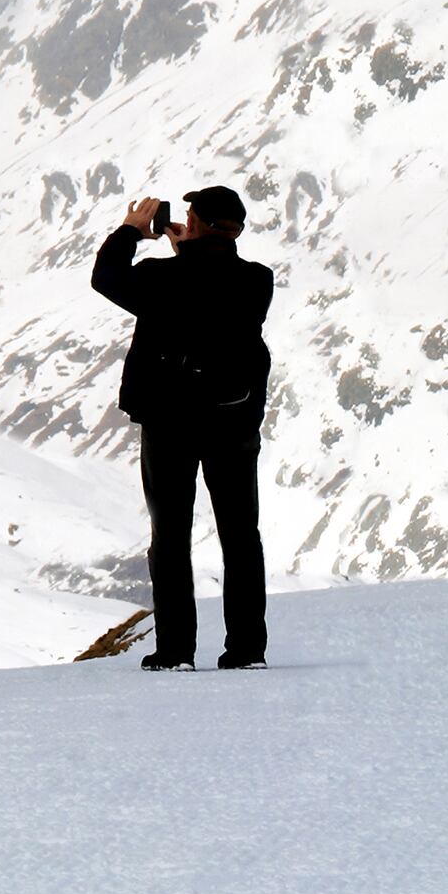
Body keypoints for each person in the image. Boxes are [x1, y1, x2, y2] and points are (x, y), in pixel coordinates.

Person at [92, 186, 273, 671]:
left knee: (169, 537)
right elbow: (208, 288)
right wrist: (189, 249)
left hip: (170, 424)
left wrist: (132, 231)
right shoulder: (257, 281)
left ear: (194, 224)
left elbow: (106, 278)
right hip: (232, 422)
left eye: (189, 217)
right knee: (240, 536)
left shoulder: (159, 278)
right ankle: (246, 651)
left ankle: (175, 651)